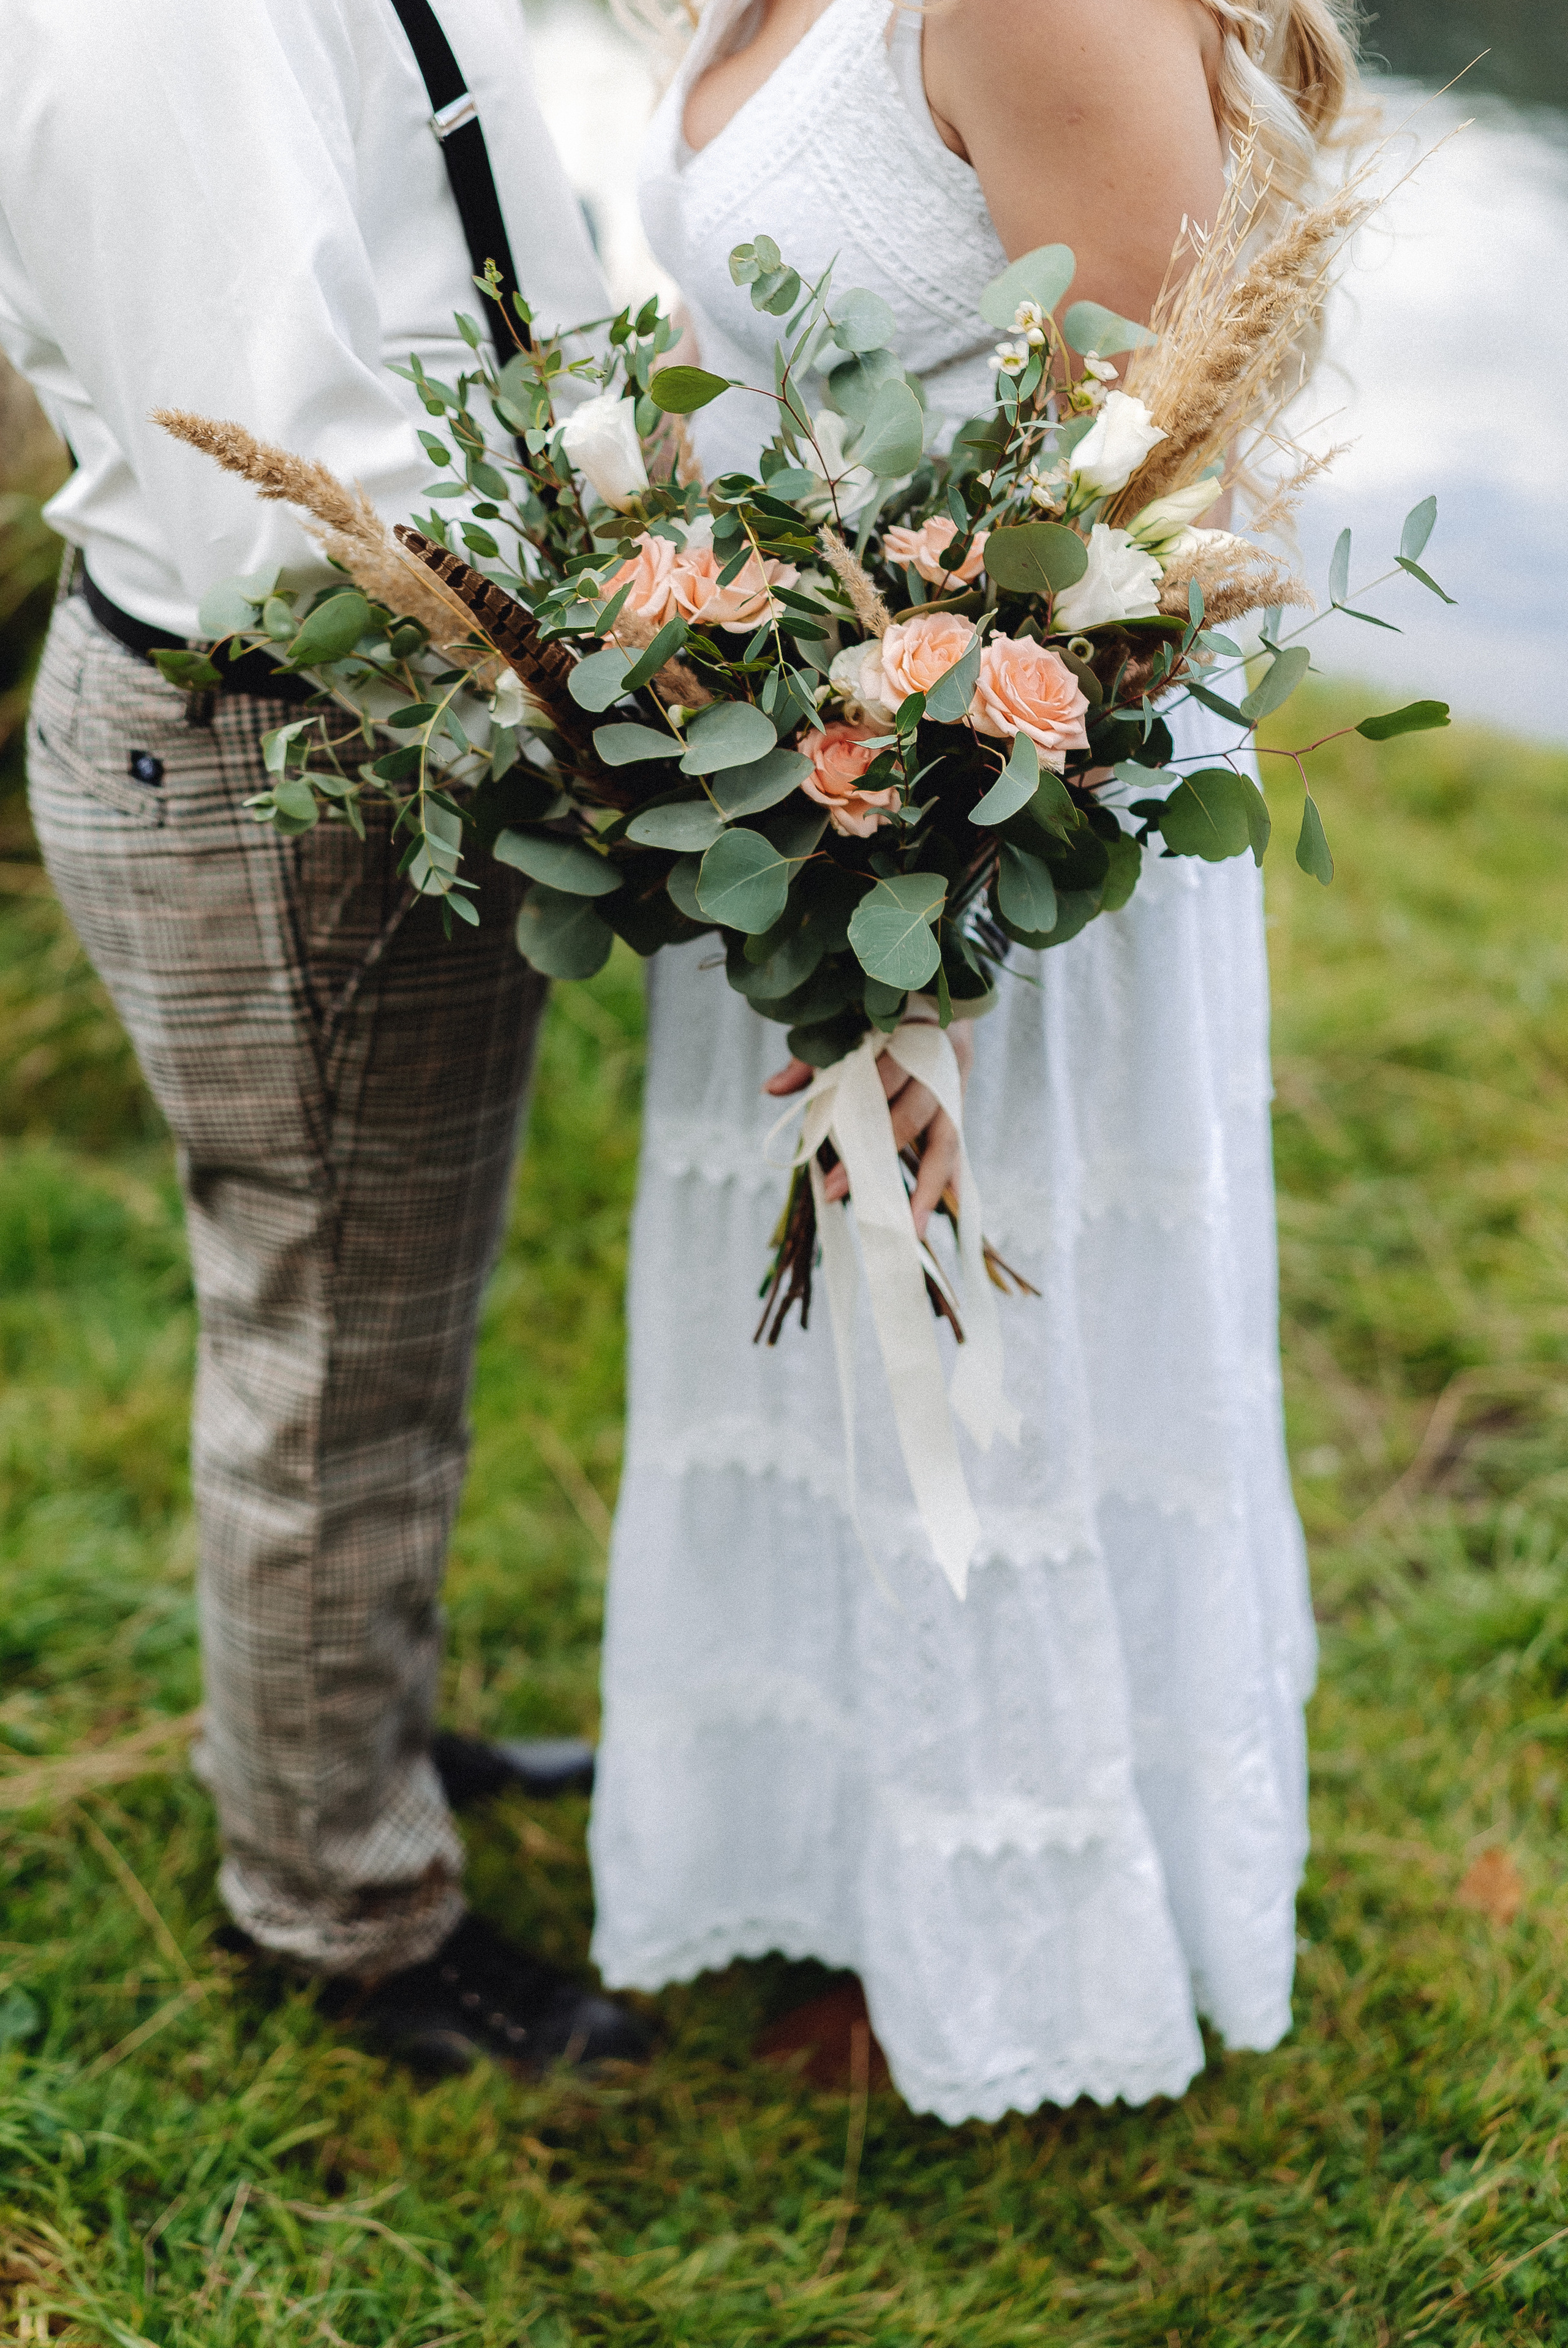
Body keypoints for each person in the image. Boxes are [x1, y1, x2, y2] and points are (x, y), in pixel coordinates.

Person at [589, 0, 1354, 2121]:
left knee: (980, 1345)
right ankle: (829, 1849)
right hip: (785, 769)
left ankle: (1007, 1920)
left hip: (1003, 819)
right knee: (826, 1347)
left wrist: (911, 882)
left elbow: (1150, 461)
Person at [0, 0, 645, 2076]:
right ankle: (342, 1911)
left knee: (384, 1318)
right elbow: (276, 521)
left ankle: (346, 1737)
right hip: (303, 737)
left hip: (351, 720)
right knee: (340, 1351)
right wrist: (646, 657)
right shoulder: (162, 23)